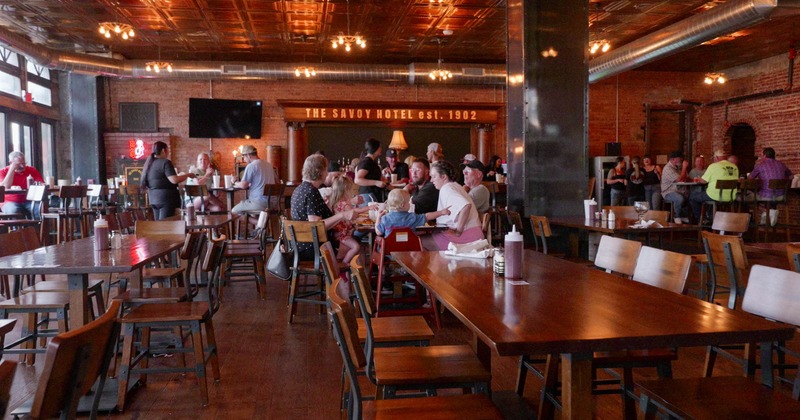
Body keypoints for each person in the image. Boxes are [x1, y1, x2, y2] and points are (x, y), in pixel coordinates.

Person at [291, 154, 355, 260]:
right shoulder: (311, 192)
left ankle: (339, 274)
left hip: (300, 245)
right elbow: (316, 225)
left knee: (348, 241)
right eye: (326, 169)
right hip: (313, 248)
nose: (327, 173)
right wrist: (342, 215)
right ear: (319, 171)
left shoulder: (299, 189)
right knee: (354, 246)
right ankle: (338, 274)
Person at [422, 161, 484, 251]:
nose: (431, 180)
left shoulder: (447, 188)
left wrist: (458, 231)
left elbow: (466, 206)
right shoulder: (454, 186)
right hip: (473, 235)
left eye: (434, 176)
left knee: (417, 241)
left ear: (444, 177)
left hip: (465, 238)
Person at [140, 141, 195, 220]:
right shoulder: (165, 162)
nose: (168, 153)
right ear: (163, 150)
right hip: (166, 199)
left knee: (158, 226)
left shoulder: (148, 164)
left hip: (153, 198)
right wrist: (188, 175)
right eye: (167, 150)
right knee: (165, 226)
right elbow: (174, 180)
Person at [328, 176, 371, 263]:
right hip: (343, 235)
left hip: (339, 233)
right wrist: (369, 207)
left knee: (357, 246)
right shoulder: (345, 204)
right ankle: (344, 265)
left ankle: (347, 270)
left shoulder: (335, 202)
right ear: (345, 191)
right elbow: (355, 211)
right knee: (356, 247)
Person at [375, 189, 450, 237]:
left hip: (389, 249)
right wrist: (441, 212)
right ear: (402, 205)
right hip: (409, 250)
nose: (410, 204)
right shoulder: (412, 217)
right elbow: (427, 216)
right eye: (408, 202)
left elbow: (379, 232)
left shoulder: (385, 219)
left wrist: (378, 217)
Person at [689, 149, 739, 222]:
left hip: (715, 196)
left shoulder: (713, 166)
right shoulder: (734, 167)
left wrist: (699, 178)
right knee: (706, 195)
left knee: (692, 197)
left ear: (716, 158)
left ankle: (700, 219)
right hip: (731, 197)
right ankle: (710, 216)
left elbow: (703, 181)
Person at [231, 145, 277, 216]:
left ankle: (261, 226)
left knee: (234, 212)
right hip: (272, 203)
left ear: (248, 155)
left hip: (259, 203)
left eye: (244, 157)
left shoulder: (251, 166)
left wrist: (235, 182)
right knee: (251, 213)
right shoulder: (269, 165)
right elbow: (277, 182)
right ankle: (261, 225)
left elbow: (243, 185)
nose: (244, 160)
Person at [1, 151, 44, 218]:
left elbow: (41, 184)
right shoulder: (3, 172)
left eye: (24, 163)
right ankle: (17, 229)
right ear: (10, 163)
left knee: (39, 209)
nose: (23, 166)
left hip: (28, 200)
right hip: (9, 201)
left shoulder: (31, 170)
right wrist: (12, 169)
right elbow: (5, 187)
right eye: (19, 164)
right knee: (14, 210)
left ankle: (36, 228)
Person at [661, 150, 690, 223]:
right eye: (679, 158)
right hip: (668, 192)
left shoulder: (677, 167)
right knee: (679, 198)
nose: (681, 160)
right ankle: (676, 216)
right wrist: (684, 167)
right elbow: (680, 179)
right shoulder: (668, 169)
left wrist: (695, 179)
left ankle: (683, 215)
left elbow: (686, 177)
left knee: (691, 196)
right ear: (673, 159)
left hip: (678, 190)